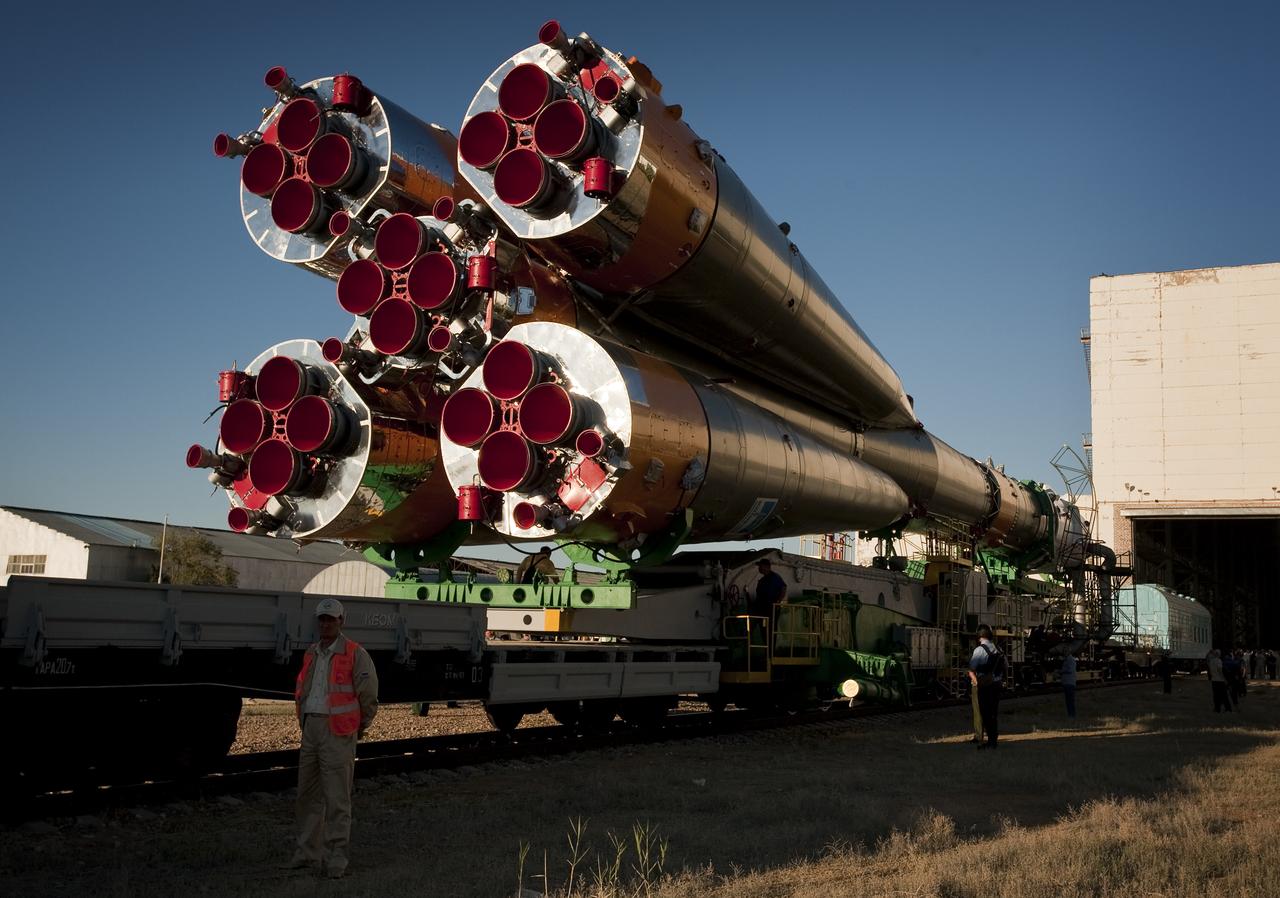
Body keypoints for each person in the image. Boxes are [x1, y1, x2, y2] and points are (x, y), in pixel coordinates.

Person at [290, 598, 380, 879]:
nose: (326, 623)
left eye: (331, 619)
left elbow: (368, 697)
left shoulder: (355, 653)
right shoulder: (311, 654)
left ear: (342, 621)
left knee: (337, 799)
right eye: (322, 619)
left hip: (338, 731)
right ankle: (307, 855)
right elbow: (302, 691)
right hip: (312, 729)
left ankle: (336, 860)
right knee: (307, 796)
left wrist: (356, 726)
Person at [968, 625, 1005, 749]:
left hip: (985, 685)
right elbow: (1006, 665)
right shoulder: (999, 649)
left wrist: (977, 682)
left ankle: (990, 742)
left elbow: (971, 670)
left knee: (985, 713)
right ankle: (993, 739)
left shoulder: (979, 650)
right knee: (994, 713)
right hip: (997, 684)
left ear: (979, 637)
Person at [1207, 648, 1232, 713]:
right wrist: (1224, 679)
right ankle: (1228, 708)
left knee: (1216, 696)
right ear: (1218, 654)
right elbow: (1220, 671)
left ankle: (1217, 708)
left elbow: (1210, 670)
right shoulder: (1219, 661)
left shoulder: (1211, 661)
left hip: (1214, 680)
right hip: (1220, 681)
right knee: (1224, 695)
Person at [1060, 652, 1078, 719]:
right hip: (1067, 683)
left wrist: (1061, 671)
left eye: (1064, 652)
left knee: (1070, 700)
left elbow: (1070, 669)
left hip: (1070, 683)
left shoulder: (1070, 660)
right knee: (1068, 701)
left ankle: (1072, 715)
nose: (1063, 653)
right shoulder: (1067, 660)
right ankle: (1070, 715)